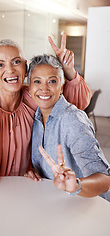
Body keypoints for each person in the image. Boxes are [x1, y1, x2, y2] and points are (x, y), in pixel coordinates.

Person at [0, 34, 91, 188]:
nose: (10, 70)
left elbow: (76, 103)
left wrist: (67, 69)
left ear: (25, 68)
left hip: (22, 187)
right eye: (0, 65)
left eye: (16, 62)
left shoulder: (34, 96)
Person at [26, 54, 110, 201]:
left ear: (62, 86)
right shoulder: (37, 118)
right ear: (29, 88)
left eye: (52, 81)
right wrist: (35, 171)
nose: (44, 88)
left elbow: (104, 181)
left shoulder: (72, 120)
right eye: (37, 81)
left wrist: (76, 186)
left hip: (89, 205)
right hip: (56, 202)